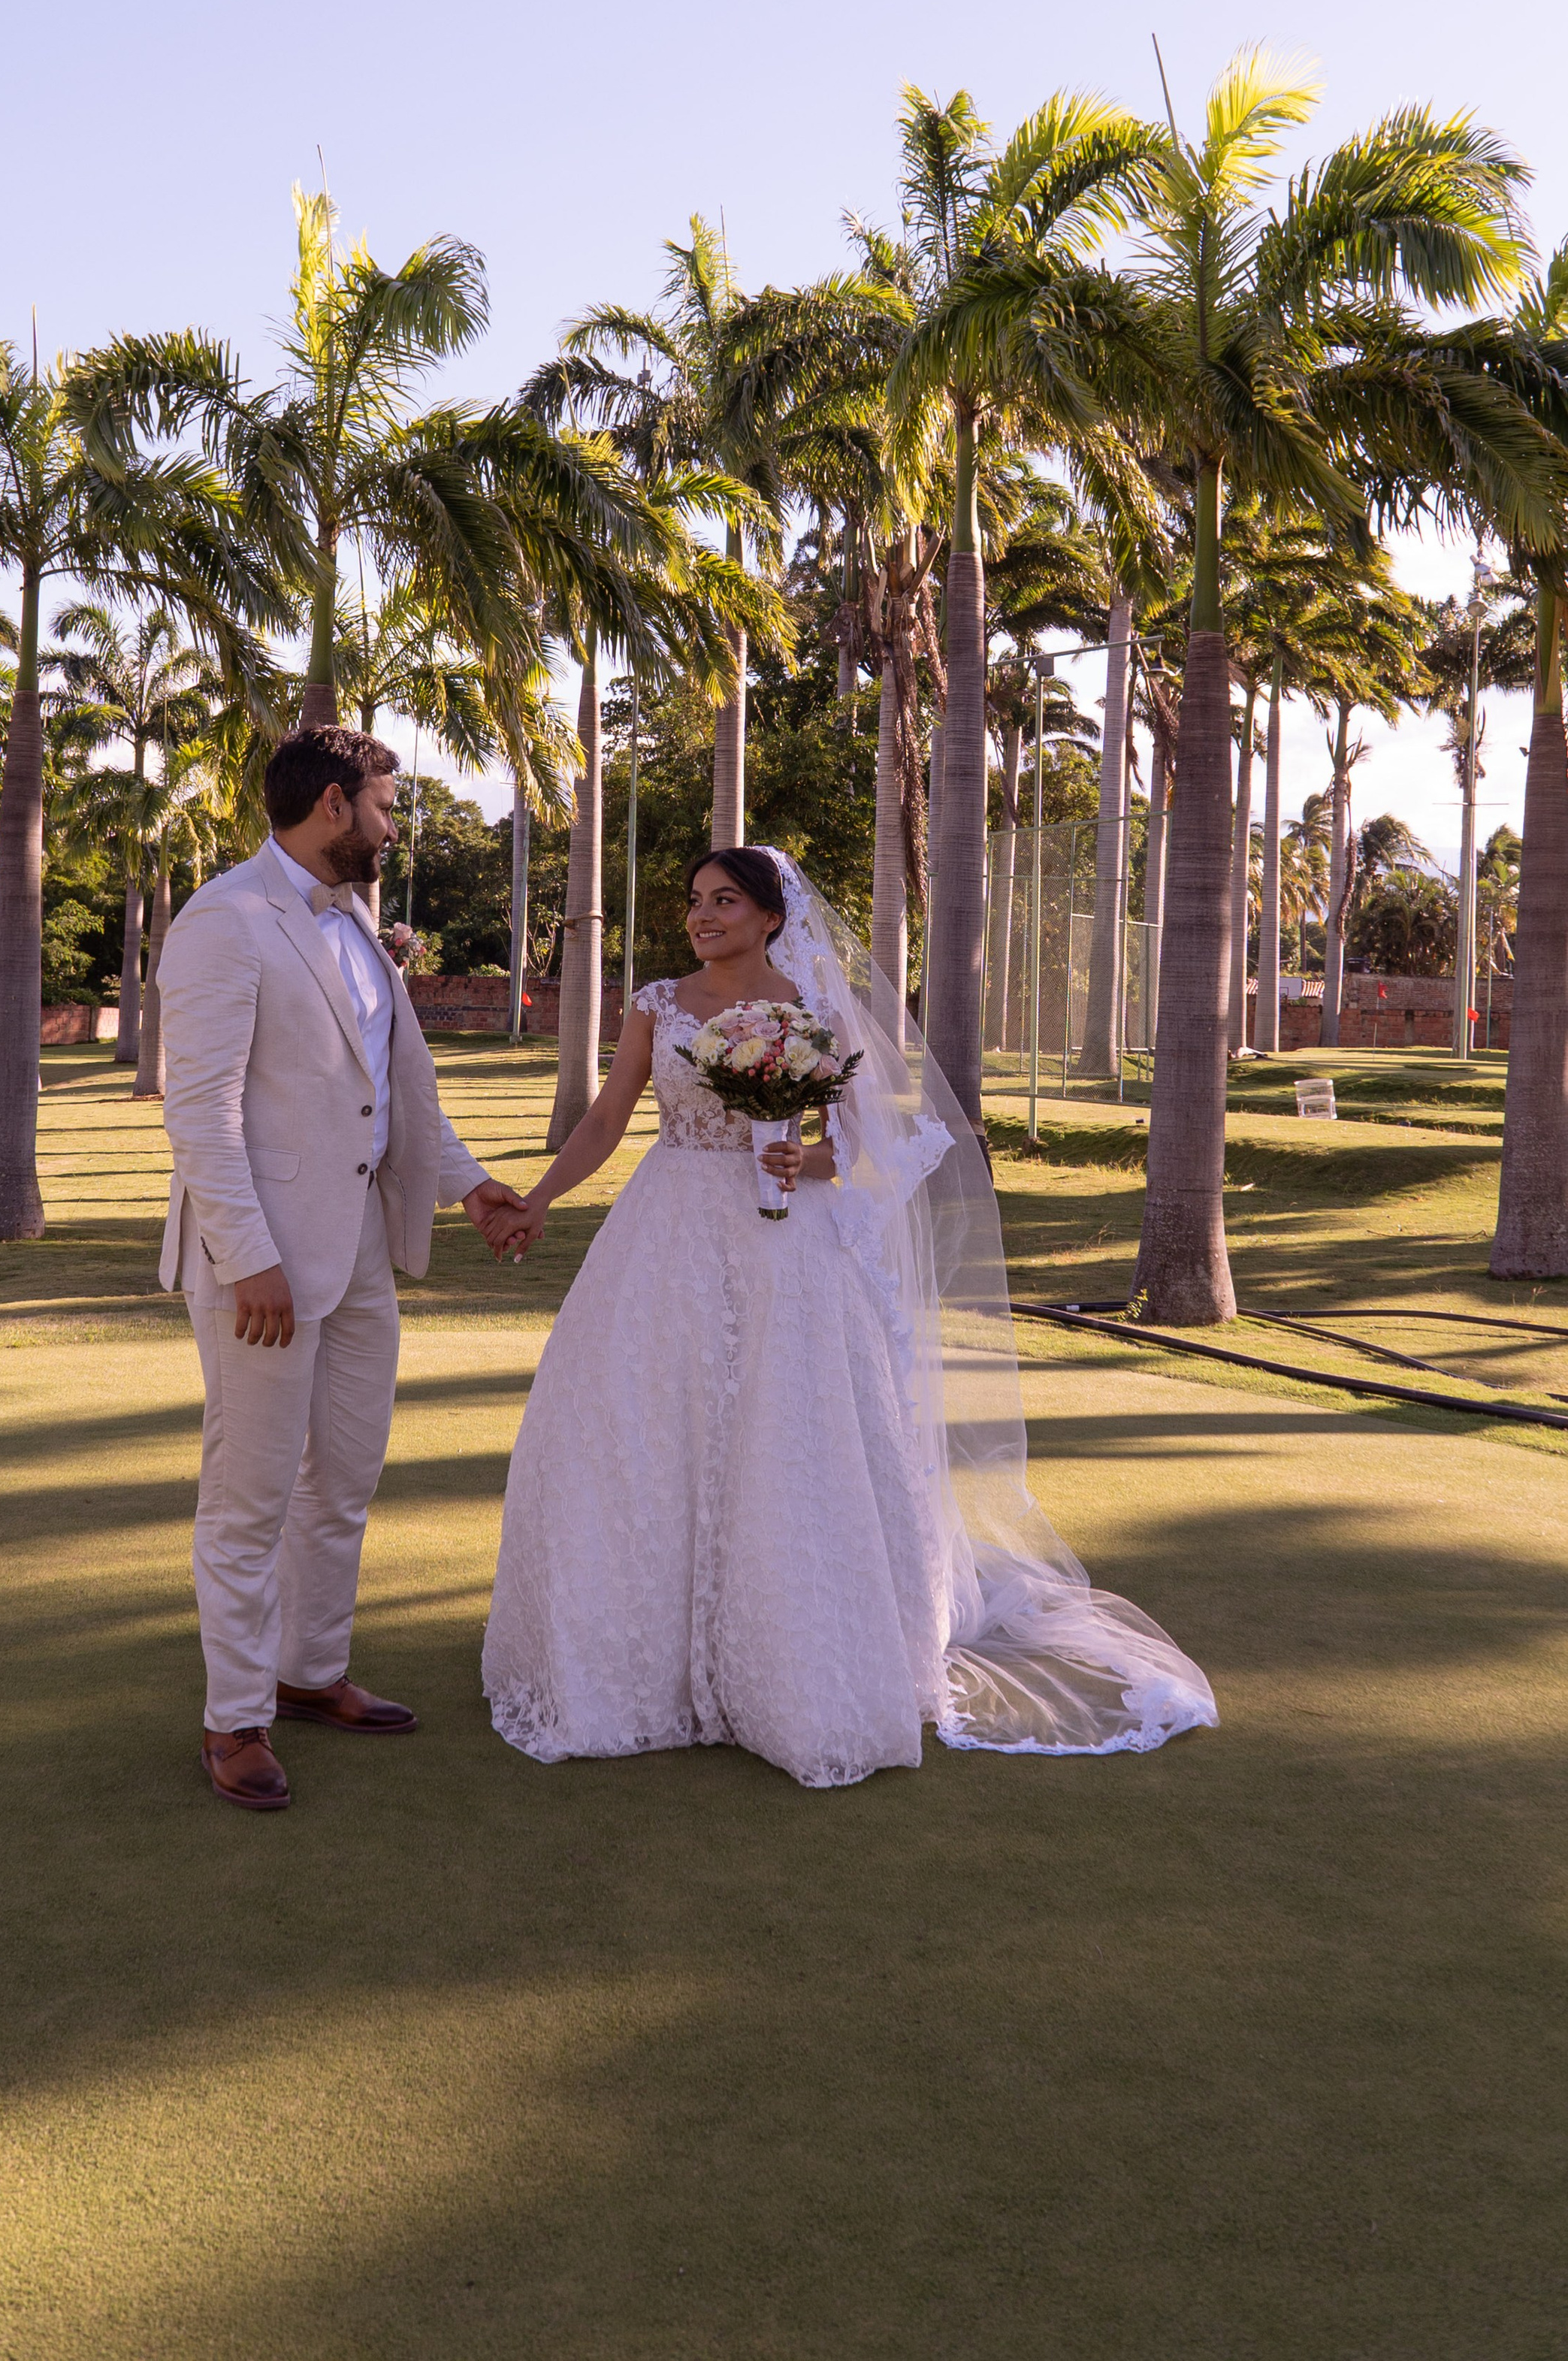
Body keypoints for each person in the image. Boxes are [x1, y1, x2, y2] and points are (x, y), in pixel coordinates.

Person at [480, 845, 1216, 1790]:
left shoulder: (815, 1008)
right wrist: (539, 1198)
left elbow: (862, 1143)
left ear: (771, 915)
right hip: (664, 1230)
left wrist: (804, 1164)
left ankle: (790, 1670)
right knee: (639, 1424)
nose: (702, 916)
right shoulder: (656, 1004)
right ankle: (635, 1662)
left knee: (787, 1434)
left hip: (787, 1247)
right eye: (695, 900)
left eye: (724, 901)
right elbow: (607, 1119)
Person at [156, 724, 528, 1811]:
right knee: (250, 1493)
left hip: (361, 1249)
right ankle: (235, 1720)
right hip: (259, 1265)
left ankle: (311, 1672)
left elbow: (398, 1088)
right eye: (384, 803)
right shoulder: (224, 920)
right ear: (333, 805)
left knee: (347, 1477)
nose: (391, 823)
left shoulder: (355, 919)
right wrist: (248, 1257)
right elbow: (203, 1115)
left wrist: (468, 1185)